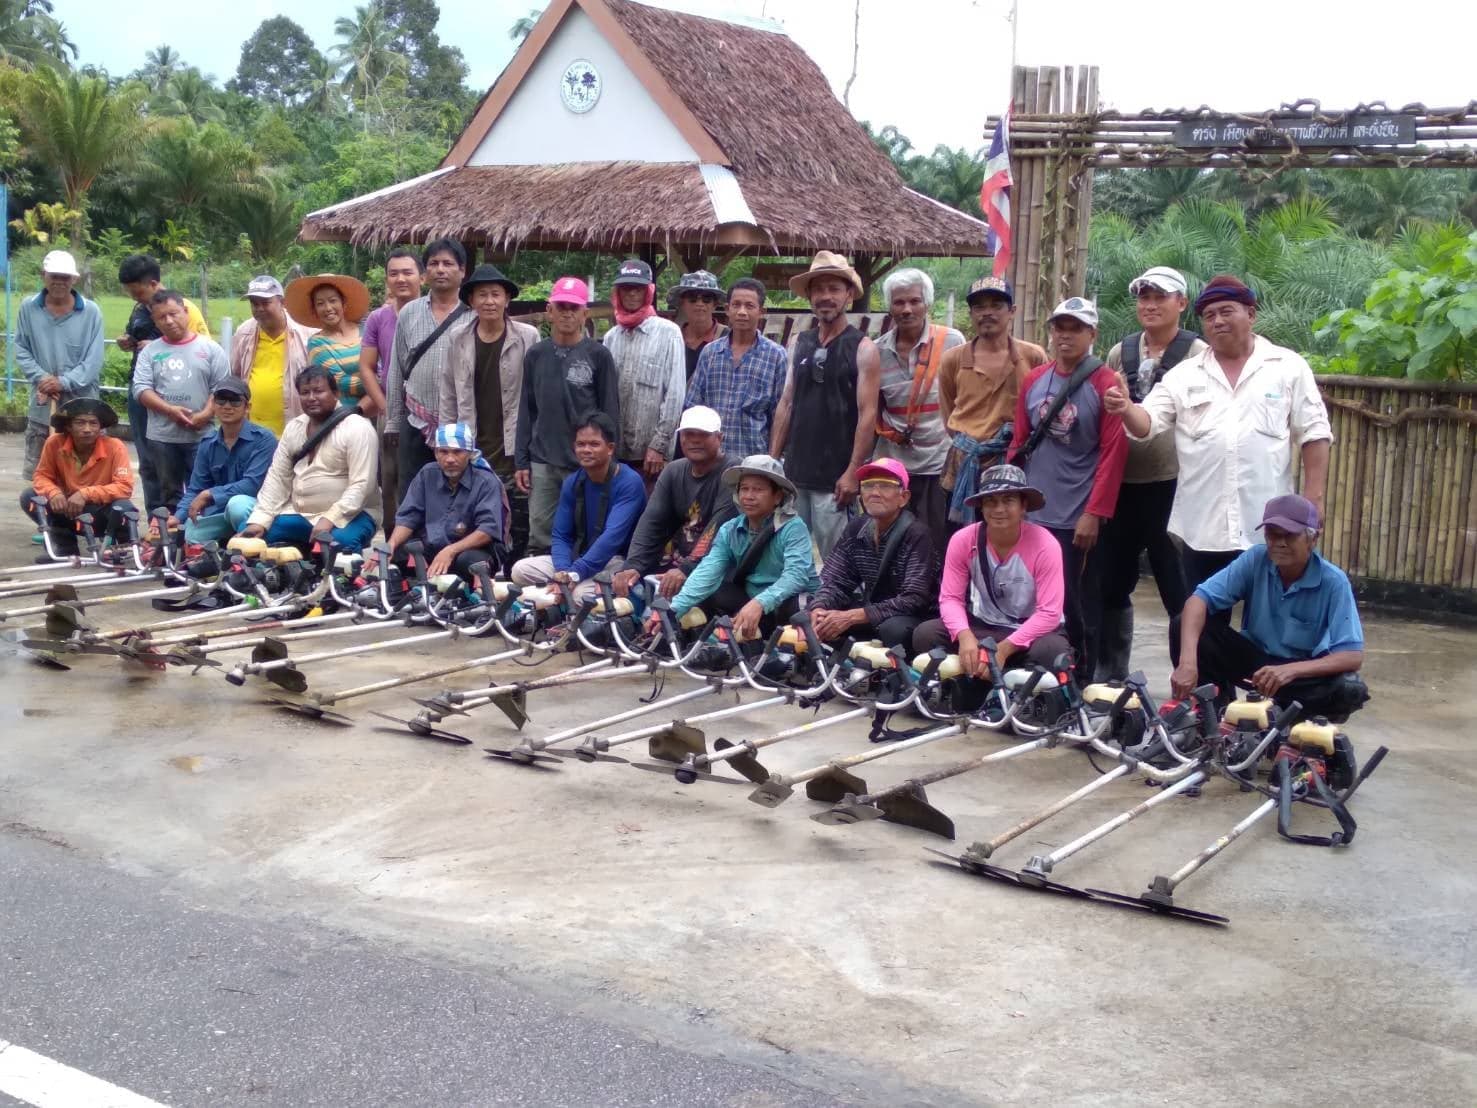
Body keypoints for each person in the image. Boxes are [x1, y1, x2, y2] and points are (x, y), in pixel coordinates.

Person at [1104, 274, 1333, 595]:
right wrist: (1126, 407)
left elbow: (1314, 433)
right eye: (1209, 316)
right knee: (1202, 622)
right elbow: (1147, 424)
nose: (1217, 321)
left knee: (1267, 621)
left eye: (1227, 311)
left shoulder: (1287, 367)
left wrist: (1314, 500)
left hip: (1269, 525)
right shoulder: (1185, 375)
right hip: (1202, 528)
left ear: (1251, 315)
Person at [1008, 297, 1127, 680]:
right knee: (1032, 595)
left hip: (1076, 514)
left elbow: (1113, 451)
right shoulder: (1034, 379)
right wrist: (1011, 499)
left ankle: (1083, 677)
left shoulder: (1104, 382)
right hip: (1033, 509)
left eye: (1075, 328)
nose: (1065, 335)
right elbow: (1020, 443)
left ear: (1092, 334)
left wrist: (1095, 513)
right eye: (1059, 327)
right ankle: (1039, 668)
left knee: (1077, 601)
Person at [1170, 494, 1369, 721]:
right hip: (1255, 667)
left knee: (1349, 688)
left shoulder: (1334, 581)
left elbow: (1352, 655)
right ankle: (1210, 716)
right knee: (1183, 625)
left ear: (1312, 540)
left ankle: (1304, 720)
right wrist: (1187, 664)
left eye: (1290, 536)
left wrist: (1290, 670)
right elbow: (1199, 600)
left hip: (1300, 674)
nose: (1280, 543)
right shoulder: (1256, 559)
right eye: (1273, 535)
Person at [1095, 266, 1204, 679]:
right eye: (1144, 297)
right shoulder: (1120, 352)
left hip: (1172, 484)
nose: (1151, 305)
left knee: (1176, 587)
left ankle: (1188, 676)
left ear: (1181, 303)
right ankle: (1110, 674)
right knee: (1112, 582)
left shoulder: (1198, 355)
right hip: (1122, 484)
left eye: (1160, 297)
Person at [769, 252, 881, 559]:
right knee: (789, 557)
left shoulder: (863, 348)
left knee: (837, 560)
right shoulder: (799, 343)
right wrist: (772, 462)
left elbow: (867, 414)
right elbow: (787, 403)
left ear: (848, 294)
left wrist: (853, 472)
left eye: (834, 289)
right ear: (809, 295)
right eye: (818, 289)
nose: (826, 297)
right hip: (794, 474)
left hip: (835, 479)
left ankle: (837, 608)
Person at [912, 465, 1070, 677]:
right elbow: (950, 598)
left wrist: (1004, 649)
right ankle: (978, 671)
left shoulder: (1045, 545)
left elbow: (1049, 613)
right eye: (991, 502)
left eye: (1008, 501)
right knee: (925, 634)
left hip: (1029, 630)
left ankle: (1006, 677)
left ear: (1023, 506)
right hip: (983, 624)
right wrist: (964, 636)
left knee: (1051, 652)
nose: (999, 509)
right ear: (982, 507)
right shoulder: (963, 540)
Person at [513, 277, 621, 553]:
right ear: (550, 310)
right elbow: (527, 408)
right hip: (543, 458)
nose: (567, 313)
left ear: (585, 313)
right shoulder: (536, 354)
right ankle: (539, 588)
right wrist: (522, 460)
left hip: (585, 459)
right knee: (540, 532)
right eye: (561, 306)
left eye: (574, 307)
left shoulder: (598, 355)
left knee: (585, 529)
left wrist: (609, 458)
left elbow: (610, 410)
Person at [441, 264, 539, 565]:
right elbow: (448, 393)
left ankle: (515, 578)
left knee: (521, 521)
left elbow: (537, 393)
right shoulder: (458, 338)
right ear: (471, 301)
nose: (489, 301)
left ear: (507, 299)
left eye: (496, 294)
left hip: (514, 447)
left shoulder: (527, 336)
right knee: (478, 521)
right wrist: (449, 441)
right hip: (474, 446)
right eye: (481, 295)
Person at [663, 455, 821, 640]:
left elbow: (796, 577)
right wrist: (672, 611)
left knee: (800, 608)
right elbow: (708, 570)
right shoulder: (730, 529)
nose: (748, 496)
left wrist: (760, 603)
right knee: (710, 590)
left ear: (777, 496)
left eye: (758, 490)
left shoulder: (793, 527)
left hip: (786, 603)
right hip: (752, 602)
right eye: (744, 489)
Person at [938, 275, 1048, 528]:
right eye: (979, 306)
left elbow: (1043, 410)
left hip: (1015, 462)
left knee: (1013, 532)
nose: (987, 313)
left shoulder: (1032, 357)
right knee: (963, 537)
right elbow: (948, 414)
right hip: (965, 463)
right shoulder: (953, 360)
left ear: (1012, 311)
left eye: (996, 305)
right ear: (971, 313)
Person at [874, 267, 965, 556]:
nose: (907, 309)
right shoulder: (876, 351)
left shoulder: (952, 342)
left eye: (914, 301)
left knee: (936, 543)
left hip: (939, 465)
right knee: (894, 544)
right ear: (889, 306)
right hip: (894, 467)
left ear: (927, 303)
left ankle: (936, 600)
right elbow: (871, 410)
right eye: (899, 302)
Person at [237, 367, 379, 552]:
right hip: (301, 515)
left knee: (337, 544)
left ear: (335, 393)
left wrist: (330, 518)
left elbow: (363, 484)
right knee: (249, 535)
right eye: (305, 393)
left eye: (319, 391)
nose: (311, 397)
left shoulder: (358, 427)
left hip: (352, 516)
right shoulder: (294, 428)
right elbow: (277, 478)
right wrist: (260, 521)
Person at [510, 412, 646, 603]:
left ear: (610, 448)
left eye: (594, 444)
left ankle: (566, 599)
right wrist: (564, 573)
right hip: (578, 560)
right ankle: (563, 596)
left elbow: (612, 539)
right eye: (581, 444)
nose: (586, 450)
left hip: (616, 561)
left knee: (581, 595)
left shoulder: (629, 482)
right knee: (520, 570)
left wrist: (574, 574)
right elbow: (561, 535)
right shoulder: (573, 482)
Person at [611, 405, 739, 601]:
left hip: (720, 567)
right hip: (678, 560)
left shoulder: (732, 472)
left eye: (703, 434)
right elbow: (651, 523)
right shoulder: (673, 471)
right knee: (625, 592)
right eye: (688, 434)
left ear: (719, 437)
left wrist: (686, 569)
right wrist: (633, 565)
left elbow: (717, 529)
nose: (695, 440)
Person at [807, 458, 936, 649]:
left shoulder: (917, 534)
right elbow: (835, 580)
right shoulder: (856, 529)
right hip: (871, 611)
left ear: (904, 497)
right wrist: (820, 607)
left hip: (911, 617)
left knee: (893, 629)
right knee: (809, 617)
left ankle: (895, 677)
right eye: (868, 486)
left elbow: (914, 599)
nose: (875, 493)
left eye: (885, 486)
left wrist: (853, 616)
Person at [116, 253, 209, 513]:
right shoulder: (139, 310)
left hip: (180, 393)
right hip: (144, 393)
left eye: (139, 293)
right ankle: (158, 520)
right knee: (148, 462)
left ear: (155, 284)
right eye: (132, 294)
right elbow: (135, 337)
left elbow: (203, 349)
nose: (136, 299)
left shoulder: (185, 308)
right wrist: (129, 342)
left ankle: (190, 519)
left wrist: (160, 349)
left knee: (189, 460)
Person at [132, 290, 232, 514]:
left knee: (204, 491)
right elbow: (141, 389)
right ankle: (172, 542)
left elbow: (221, 387)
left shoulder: (210, 349)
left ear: (185, 312)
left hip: (202, 436)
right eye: (161, 317)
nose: (168, 321)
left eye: (173, 314)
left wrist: (205, 414)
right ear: (155, 320)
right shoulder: (150, 352)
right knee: (168, 494)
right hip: (162, 437)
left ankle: (198, 541)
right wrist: (169, 410)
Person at [386, 238, 469, 500]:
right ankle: (405, 541)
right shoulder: (409, 312)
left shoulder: (474, 313)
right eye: (434, 264)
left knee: (458, 494)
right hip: (415, 420)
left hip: (460, 424)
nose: (441, 269)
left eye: (448, 264)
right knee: (412, 491)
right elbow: (396, 370)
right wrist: (393, 422)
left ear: (462, 271)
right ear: (425, 273)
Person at [15, 250, 104, 487]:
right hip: (43, 403)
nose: (59, 282)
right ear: (43, 275)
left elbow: (93, 361)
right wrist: (43, 378)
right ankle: (46, 520)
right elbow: (21, 350)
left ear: (74, 279)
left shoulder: (91, 312)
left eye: (65, 277)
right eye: (54, 275)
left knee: (86, 468)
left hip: (82, 404)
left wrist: (63, 382)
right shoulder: (28, 308)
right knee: (42, 471)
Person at [376, 422, 507, 580]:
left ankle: (473, 597)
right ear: (436, 453)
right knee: (396, 550)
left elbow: (487, 530)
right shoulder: (427, 474)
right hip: (432, 547)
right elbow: (408, 518)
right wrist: (391, 545)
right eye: (443, 452)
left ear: (469, 453)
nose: (450, 459)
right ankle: (404, 596)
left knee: (471, 561)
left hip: (469, 550)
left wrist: (450, 551)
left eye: (457, 452)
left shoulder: (486, 481)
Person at [603, 258, 685, 489]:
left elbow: (675, 395)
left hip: (652, 458)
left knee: (651, 519)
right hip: (617, 454)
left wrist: (659, 445)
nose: (631, 294)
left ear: (648, 292)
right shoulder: (611, 337)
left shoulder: (669, 333)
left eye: (637, 288)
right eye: (626, 288)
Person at [686, 277, 787, 459]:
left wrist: (772, 461)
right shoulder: (710, 353)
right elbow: (694, 406)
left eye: (749, 306)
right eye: (736, 305)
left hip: (752, 461)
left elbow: (780, 415)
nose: (742, 312)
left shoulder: (776, 356)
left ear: (761, 311)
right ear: (727, 309)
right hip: (711, 461)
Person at [360, 249, 424, 526]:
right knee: (391, 479)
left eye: (407, 272)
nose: (401, 279)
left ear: (422, 276)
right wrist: (386, 408)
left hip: (431, 410)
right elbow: (367, 367)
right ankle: (393, 549)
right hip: (391, 408)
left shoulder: (435, 314)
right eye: (394, 273)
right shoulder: (378, 318)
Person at [22, 398, 134, 555]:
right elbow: (41, 476)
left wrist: (85, 494)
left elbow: (124, 487)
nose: (87, 429)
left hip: (98, 513)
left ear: (100, 426)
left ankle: (123, 548)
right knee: (29, 496)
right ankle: (64, 546)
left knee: (124, 507)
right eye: (80, 423)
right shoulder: (54, 443)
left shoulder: (115, 447)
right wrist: (54, 492)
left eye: (93, 423)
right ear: (68, 426)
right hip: (66, 509)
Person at [173, 379, 277, 544]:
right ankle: (226, 547)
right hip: (221, 513)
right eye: (221, 400)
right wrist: (177, 517)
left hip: (255, 510)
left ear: (247, 407)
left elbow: (252, 484)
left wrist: (210, 494)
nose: (227, 406)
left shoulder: (264, 439)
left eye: (235, 401)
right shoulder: (208, 443)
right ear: (213, 405)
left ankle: (251, 547)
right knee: (189, 532)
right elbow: (195, 488)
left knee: (237, 505)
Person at [229, 274, 317, 438]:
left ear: (282, 303)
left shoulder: (306, 334)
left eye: (265, 303)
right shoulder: (244, 333)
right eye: (254, 304)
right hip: (252, 431)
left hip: (295, 429)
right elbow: (236, 375)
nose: (259, 308)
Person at [286, 274, 371, 411]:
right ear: (314, 310)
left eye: (333, 300)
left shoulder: (367, 330)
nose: (328, 308)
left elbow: (384, 364)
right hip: (344, 417)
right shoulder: (317, 343)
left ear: (343, 303)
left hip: (381, 412)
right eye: (320, 304)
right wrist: (379, 383)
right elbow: (339, 383)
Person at [669, 270, 727, 381]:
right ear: (682, 303)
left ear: (715, 304)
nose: (700, 304)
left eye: (706, 298)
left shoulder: (729, 338)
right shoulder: (671, 339)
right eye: (692, 298)